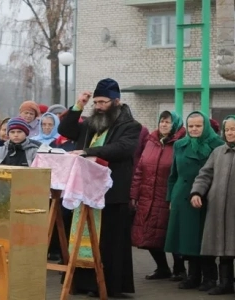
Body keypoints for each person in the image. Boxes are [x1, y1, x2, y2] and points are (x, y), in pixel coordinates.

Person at [58, 78, 141, 298]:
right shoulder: (91, 123)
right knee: (83, 238)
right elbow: (65, 129)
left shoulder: (130, 126)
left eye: (103, 102)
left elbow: (122, 148)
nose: (99, 106)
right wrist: (78, 106)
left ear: (116, 101)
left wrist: (88, 152)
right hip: (85, 191)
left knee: (109, 242)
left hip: (111, 193)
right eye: (96, 102)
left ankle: (109, 286)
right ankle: (84, 283)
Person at [190, 115, 235, 297]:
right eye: (227, 130)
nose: (230, 133)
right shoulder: (218, 152)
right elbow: (205, 174)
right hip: (217, 207)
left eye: (234, 129)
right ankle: (225, 284)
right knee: (221, 247)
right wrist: (196, 192)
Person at [164, 112, 224, 292]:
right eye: (191, 126)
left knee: (205, 237)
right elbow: (173, 174)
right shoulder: (180, 145)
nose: (194, 129)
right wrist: (170, 198)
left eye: (198, 126)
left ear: (205, 126)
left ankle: (210, 277)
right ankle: (193, 276)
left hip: (207, 196)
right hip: (182, 196)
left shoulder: (218, 145)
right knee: (187, 238)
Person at [131, 111, 186, 282]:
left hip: (167, 197)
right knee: (149, 235)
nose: (163, 125)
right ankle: (162, 267)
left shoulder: (181, 143)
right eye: (162, 121)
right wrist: (134, 194)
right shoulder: (151, 142)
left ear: (175, 124)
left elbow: (180, 172)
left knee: (171, 233)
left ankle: (180, 269)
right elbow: (140, 169)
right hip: (148, 196)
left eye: (168, 122)